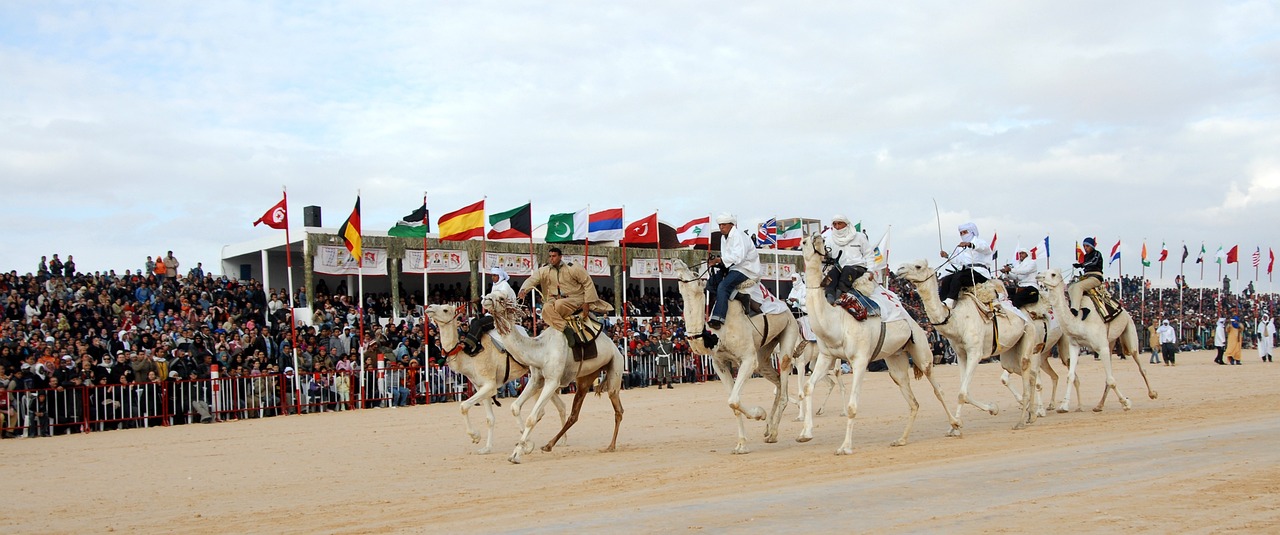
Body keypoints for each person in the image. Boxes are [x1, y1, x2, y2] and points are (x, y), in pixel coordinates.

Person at [517, 247, 613, 332]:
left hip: (575, 299)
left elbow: (587, 282)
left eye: (554, 256)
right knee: (545, 307)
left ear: (560, 257)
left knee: (559, 304)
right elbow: (532, 280)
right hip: (555, 299)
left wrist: (587, 302)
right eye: (550, 256)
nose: (551, 258)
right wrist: (523, 290)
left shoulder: (573, 267)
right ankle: (564, 328)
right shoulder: (544, 270)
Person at [705, 214, 762, 330]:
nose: (721, 227)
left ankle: (718, 319)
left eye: (724, 225)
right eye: (720, 225)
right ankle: (741, 296)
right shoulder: (723, 238)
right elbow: (728, 257)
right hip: (733, 267)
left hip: (746, 268)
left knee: (723, 286)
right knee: (711, 284)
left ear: (731, 225)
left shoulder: (739, 235)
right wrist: (717, 263)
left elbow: (739, 257)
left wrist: (719, 260)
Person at [937, 222, 994, 308]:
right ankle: (942, 302)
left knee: (959, 276)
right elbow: (959, 261)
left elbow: (985, 249)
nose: (962, 235)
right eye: (961, 233)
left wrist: (971, 245)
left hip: (979, 273)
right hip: (966, 271)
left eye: (965, 232)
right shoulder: (961, 247)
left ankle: (951, 300)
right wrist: (947, 256)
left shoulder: (980, 242)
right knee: (947, 279)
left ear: (972, 232)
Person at [820, 215, 870, 305]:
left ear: (846, 224)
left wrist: (871, 271)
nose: (837, 227)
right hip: (840, 268)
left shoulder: (859, 237)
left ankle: (840, 295)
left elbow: (869, 254)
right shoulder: (830, 239)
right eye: (835, 224)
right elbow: (828, 255)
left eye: (839, 223)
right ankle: (829, 296)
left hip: (857, 268)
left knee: (847, 270)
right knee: (832, 273)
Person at [1068, 237, 1104, 316]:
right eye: (1084, 246)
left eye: (1087, 246)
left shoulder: (1097, 254)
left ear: (1092, 246)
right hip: (1087, 276)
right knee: (1071, 288)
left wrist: (1081, 265)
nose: (1085, 248)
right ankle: (1082, 307)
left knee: (1078, 286)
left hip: (1095, 277)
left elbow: (1093, 262)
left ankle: (1074, 310)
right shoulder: (1085, 256)